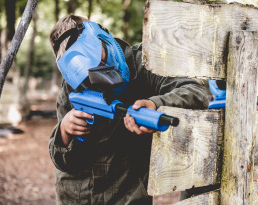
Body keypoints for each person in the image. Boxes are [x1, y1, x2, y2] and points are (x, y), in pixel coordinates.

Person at [48, 14, 209, 205]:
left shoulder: (145, 62)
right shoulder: (71, 88)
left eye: (102, 60)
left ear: (104, 37)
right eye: (89, 76)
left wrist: (156, 104)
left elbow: (196, 92)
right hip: (77, 197)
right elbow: (63, 162)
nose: (103, 76)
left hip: (128, 194)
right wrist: (65, 131)